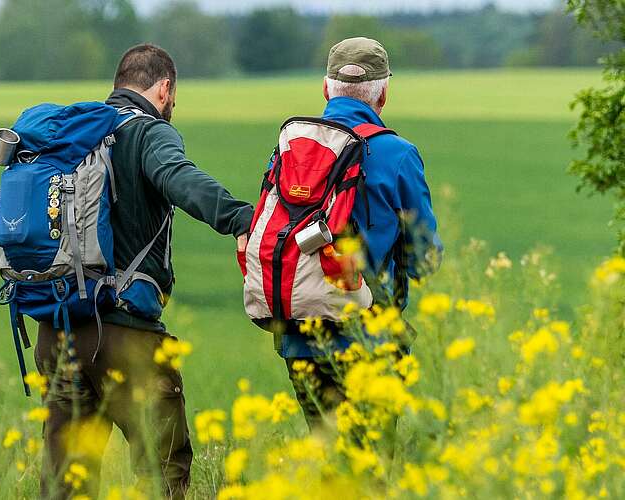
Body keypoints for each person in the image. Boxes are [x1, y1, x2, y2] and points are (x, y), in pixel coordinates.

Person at [35, 44, 253, 499]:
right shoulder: (149, 132)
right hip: (124, 330)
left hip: (56, 331)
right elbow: (179, 178)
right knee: (162, 469)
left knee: (66, 480)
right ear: (165, 88)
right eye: (174, 96)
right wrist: (241, 219)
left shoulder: (72, 134)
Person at [280, 37, 443, 430]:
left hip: (301, 341)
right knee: (368, 472)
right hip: (368, 341)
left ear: (325, 89)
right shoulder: (398, 154)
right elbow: (424, 260)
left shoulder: (291, 146)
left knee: (327, 467)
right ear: (383, 93)